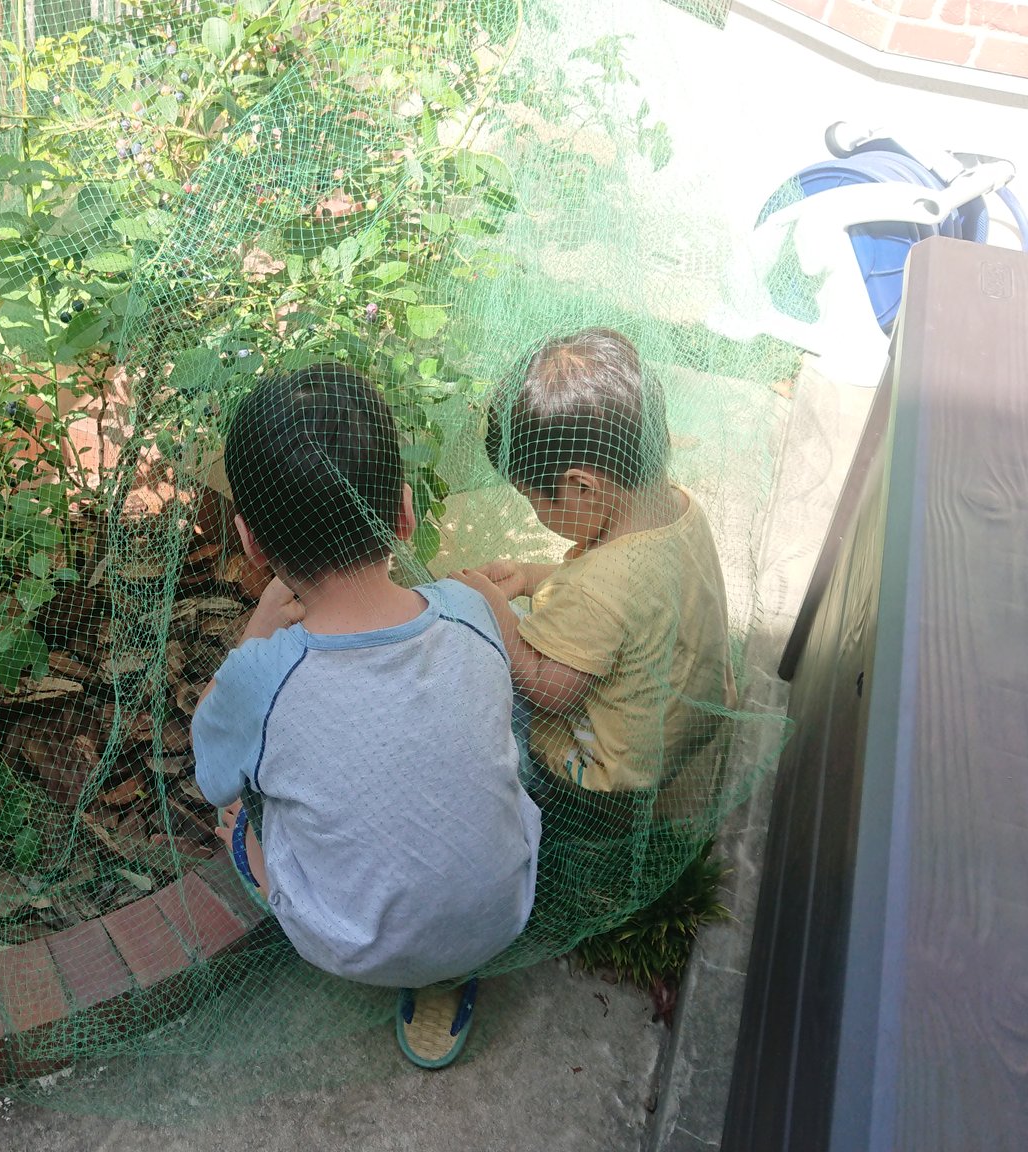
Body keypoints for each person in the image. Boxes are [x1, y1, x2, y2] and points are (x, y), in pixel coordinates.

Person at [192, 364, 540, 1071]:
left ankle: (339, 913)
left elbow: (211, 775)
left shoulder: (263, 675)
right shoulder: (471, 611)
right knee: (505, 735)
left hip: (349, 947)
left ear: (252, 544)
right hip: (503, 914)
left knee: (235, 815)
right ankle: (450, 968)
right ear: (405, 513)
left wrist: (255, 635)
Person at [451, 329, 732, 932]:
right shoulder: (675, 507)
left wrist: (498, 613)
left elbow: (550, 689)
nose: (536, 514)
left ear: (582, 485)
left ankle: (564, 823)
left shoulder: (596, 589)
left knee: (491, 701)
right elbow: (627, 594)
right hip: (687, 720)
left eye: (535, 499)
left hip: (611, 775)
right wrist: (532, 575)